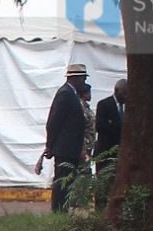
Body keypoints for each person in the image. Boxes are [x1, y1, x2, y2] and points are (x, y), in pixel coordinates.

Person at [37, 66, 88, 210]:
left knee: (67, 181)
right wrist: (50, 145)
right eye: (83, 78)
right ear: (76, 78)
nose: (84, 82)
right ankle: (58, 210)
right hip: (64, 148)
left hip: (70, 148)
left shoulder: (72, 94)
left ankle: (62, 209)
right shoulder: (65, 93)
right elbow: (54, 121)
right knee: (61, 182)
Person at [93, 83, 124, 165]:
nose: (126, 97)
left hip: (122, 150)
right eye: (124, 93)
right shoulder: (104, 104)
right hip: (107, 148)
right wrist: (116, 127)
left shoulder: (128, 106)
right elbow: (99, 126)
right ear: (117, 91)